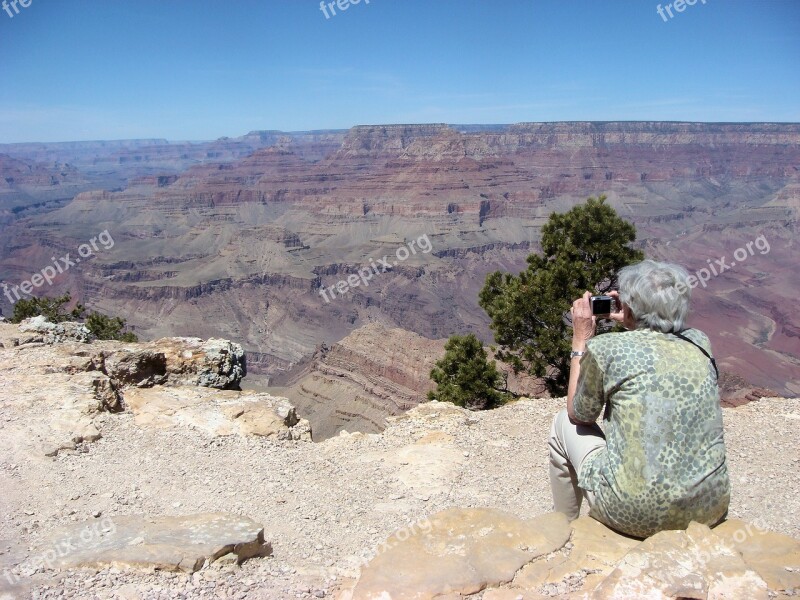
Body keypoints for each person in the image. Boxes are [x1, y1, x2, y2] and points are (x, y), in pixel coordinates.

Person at [548, 259, 730, 538]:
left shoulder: (607, 349)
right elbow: (655, 349)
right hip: (706, 511)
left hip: (632, 513)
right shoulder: (700, 342)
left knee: (563, 423)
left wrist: (580, 339)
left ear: (630, 305)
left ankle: (564, 528)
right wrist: (636, 318)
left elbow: (579, 414)